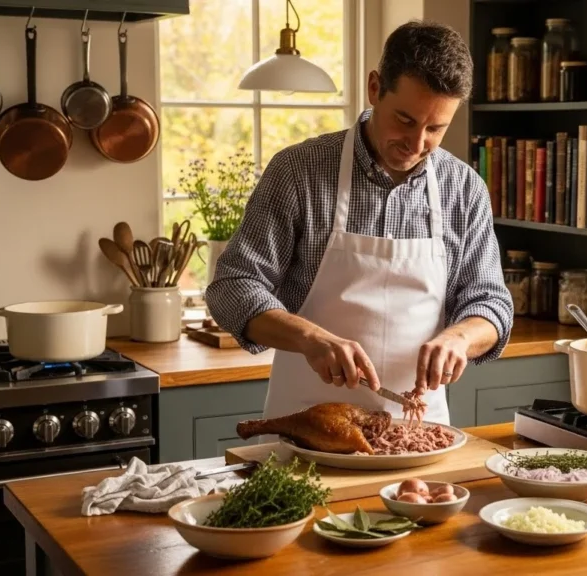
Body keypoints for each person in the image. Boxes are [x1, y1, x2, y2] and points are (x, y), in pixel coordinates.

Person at [206, 20, 514, 425]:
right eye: (405, 120)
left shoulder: (464, 189)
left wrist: (461, 338)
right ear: (374, 88)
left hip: (419, 432)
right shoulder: (299, 172)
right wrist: (309, 337)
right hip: (305, 428)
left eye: (436, 128)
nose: (417, 143)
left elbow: (491, 302)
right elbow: (232, 287)